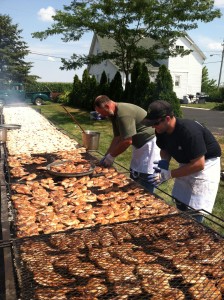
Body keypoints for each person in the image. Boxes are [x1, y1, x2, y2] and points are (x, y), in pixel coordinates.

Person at [144, 100, 221, 222]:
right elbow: (165, 149)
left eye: (155, 123)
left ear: (167, 119)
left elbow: (198, 164)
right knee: (180, 200)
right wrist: (164, 163)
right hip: (187, 162)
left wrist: (169, 174)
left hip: (205, 166)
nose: (153, 126)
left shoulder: (189, 131)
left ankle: (195, 232)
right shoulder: (161, 130)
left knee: (195, 208)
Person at [94, 95, 161, 193]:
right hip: (139, 145)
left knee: (145, 177)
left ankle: (146, 195)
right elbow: (117, 138)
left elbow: (127, 141)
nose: (102, 116)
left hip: (149, 144)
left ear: (107, 106)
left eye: (102, 113)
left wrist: (111, 157)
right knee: (135, 173)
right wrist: (106, 156)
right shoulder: (113, 114)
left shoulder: (123, 114)